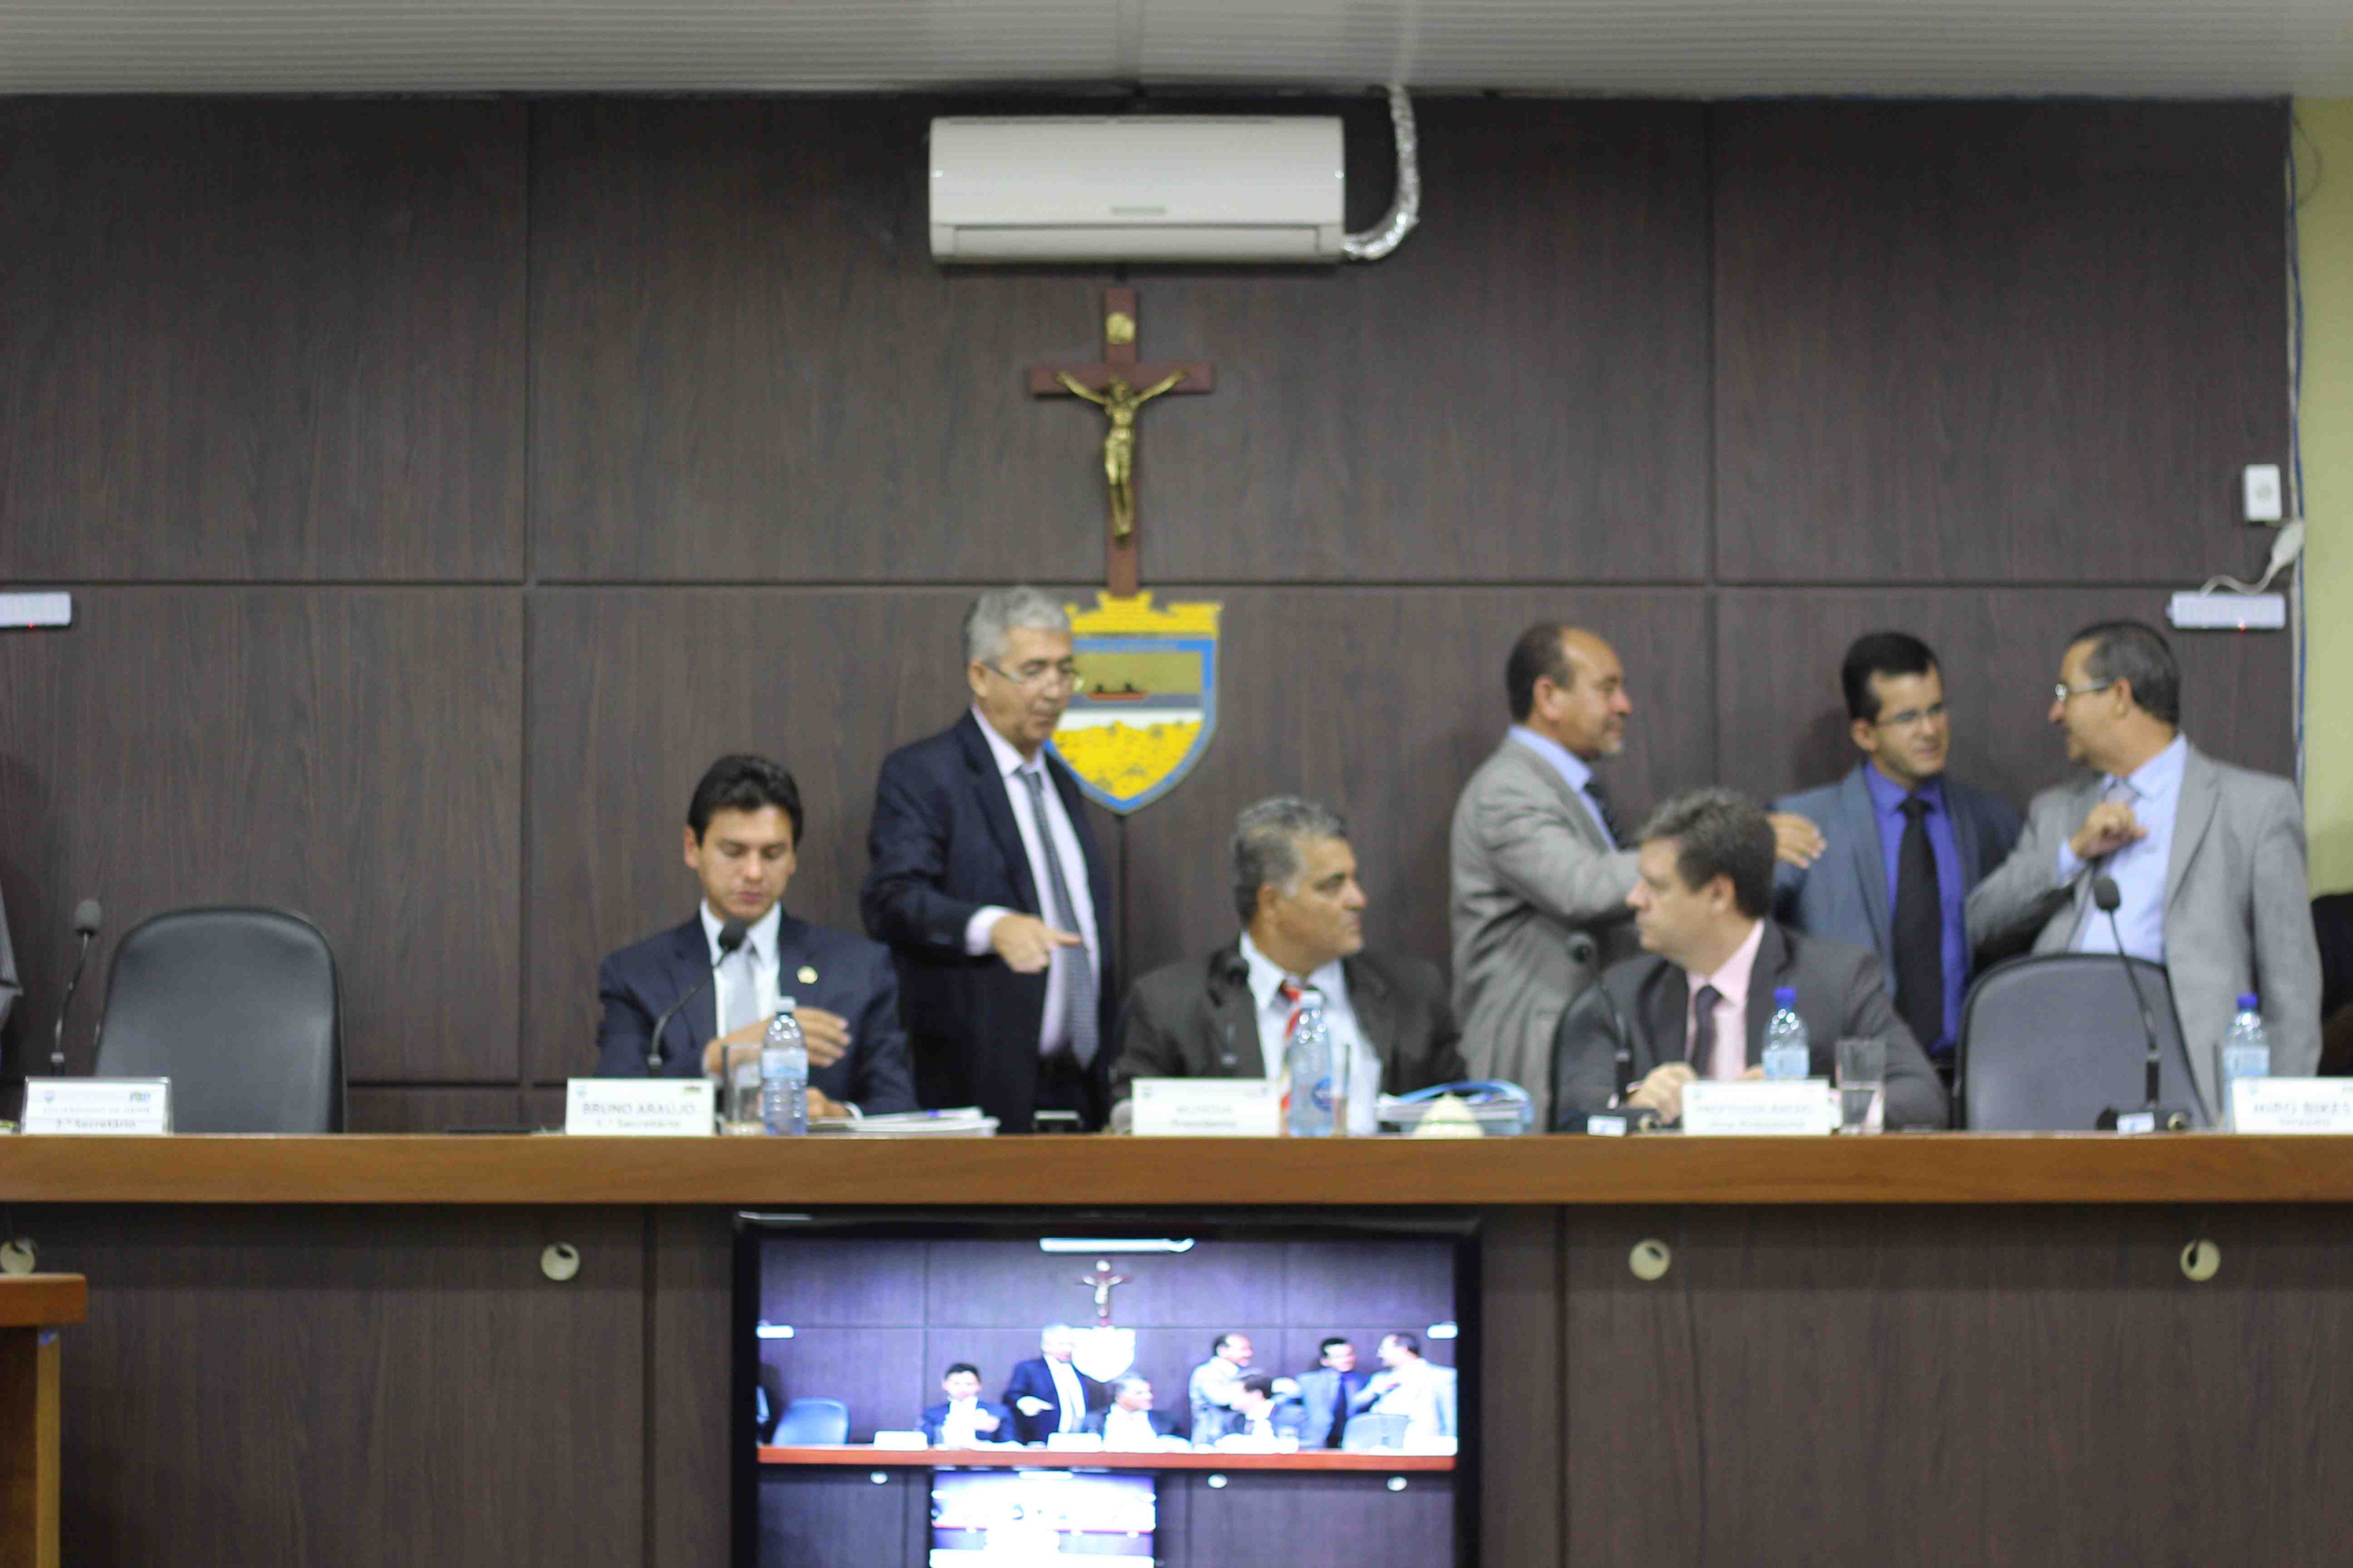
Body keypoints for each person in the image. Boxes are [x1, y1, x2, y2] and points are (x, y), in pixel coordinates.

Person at [1452, 624, 1826, 1109]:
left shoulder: (1566, 786)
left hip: (1587, 1031)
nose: (1624, 705)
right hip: (1531, 1045)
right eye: (1607, 688)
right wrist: (1720, 847)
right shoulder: (1506, 789)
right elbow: (1580, 886)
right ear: (1549, 697)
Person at [1967, 620, 2321, 1110]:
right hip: (2054, 1046)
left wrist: (2278, 1121)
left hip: (2187, 1058)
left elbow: (2292, 988)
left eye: (2065, 692)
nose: (2055, 712)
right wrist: (2074, 851)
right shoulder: (2057, 812)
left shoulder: (2255, 807)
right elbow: (1981, 921)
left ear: (2119, 696)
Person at [862, 587, 1116, 1132]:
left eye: (1065, 670)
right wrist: (991, 926)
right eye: (1034, 671)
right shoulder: (926, 774)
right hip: (979, 1087)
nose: (1055, 689)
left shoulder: (1062, 784)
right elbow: (892, 899)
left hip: (1078, 1089)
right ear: (980, 676)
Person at [1551, 789, 1948, 1129]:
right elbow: (1573, 1118)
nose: (1634, 899)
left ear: (1718, 894)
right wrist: (1637, 1109)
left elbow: (1922, 1099)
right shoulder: (1621, 994)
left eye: (1655, 886)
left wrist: (1807, 1106)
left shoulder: (1837, 980)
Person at [1111, 797, 1466, 1131]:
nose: (1358, 899)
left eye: (1354, 880)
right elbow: (1129, 1124)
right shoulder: (1171, 1005)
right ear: (1271, 903)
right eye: (1332, 886)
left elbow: (1463, 1119)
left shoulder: (1414, 994)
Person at [593, 754, 915, 1117]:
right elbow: (610, 1105)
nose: (754, 873)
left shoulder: (858, 969)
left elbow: (899, 1107)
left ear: (793, 857)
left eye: (772, 854)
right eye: (733, 852)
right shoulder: (637, 975)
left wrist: (836, 1115)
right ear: (692, 847)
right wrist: (720, 1057)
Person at [1772, 632, 2023, 1063]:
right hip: (1847, 1071)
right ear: (1865, 733)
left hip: (1971, 1071)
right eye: (1908, 717)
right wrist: (1749, 845)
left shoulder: (1992, 823)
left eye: (1936, 710)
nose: (1930, 730)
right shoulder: (1800, 825)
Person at [1000, 1324, 1107, 1443]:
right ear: (1045, 1346)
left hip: (1078, 1441)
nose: (1067, 1349)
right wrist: (1024, 1402)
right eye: (1062, 1344)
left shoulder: (1080, 1373)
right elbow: (1011, 1396)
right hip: (1040, 1442)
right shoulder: (1029, 1369)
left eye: (1071, 1344)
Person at [1346, 1332, 1456, 1443]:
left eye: (1383, 1349)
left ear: (1403, 1349)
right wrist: (1377, 1391)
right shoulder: (1380, 1379)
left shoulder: (1441, 1376)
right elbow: (1355, 1404)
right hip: (1383, 1444)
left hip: (1424, 1444)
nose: (1379, 1354)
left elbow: (1451, 1419)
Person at [1294, 1337, 1369, 1450]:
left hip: (1354, 1442)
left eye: (1349, 1355)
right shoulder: (1307, 1381)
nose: (1346, 1360)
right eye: (1339, 1357)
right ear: (1325, 1361)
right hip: (1316, 1443)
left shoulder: (1365, 1381)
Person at [921, 1363, 1012, 1448]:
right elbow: (925, 1444)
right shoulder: (932, 1414)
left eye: (969, 1384)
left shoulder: (998, 1412)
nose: (963, 1389)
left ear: (979, 1385)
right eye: (956, 1384)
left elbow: (1011, 1446)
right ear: (945, 1384)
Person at [1079, 1375, 1181, 1448]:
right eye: (1139, 1393)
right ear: (1120, 1397)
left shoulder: (1165, 1422)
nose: (1149, 1397)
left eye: (1149, 1392)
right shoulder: (1094, 1421)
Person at [1186, 1332, 1254, 1439]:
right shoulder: (1207, 1373)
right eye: (1243, 1349)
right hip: (1212, 1440)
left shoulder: (1241, 1373)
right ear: (1223, 1351)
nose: (1249, 1354)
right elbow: (1222, 1399)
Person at [1215, 1374, 1307, 1446]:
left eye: (1236, 1393)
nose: (1230, 1398)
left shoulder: (1294, 1416)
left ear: (1256, 1395)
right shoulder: (1232, 1420)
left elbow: (1309, 1444)